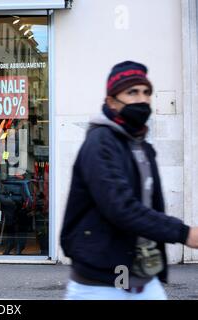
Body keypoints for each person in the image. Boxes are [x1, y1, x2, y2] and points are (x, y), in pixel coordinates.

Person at [60, 61, 198, 300]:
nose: (142, 99)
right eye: (132, 92)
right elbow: (120, 207)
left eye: (146, 92)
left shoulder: (140, 145)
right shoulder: (100, 143)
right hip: (100, 283)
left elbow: (148, 207)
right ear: (112, 101)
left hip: (141, 276)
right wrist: (184, 233)